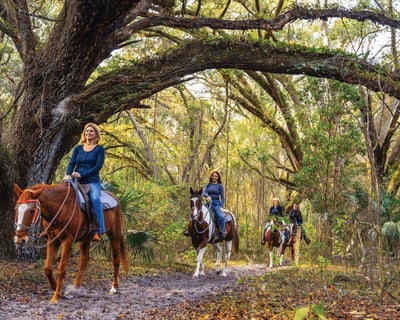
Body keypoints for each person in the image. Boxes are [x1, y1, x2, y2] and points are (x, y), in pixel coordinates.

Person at [63, 123, 105, 242]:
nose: (88, 133)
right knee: (62, 196)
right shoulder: (78, 148)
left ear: (96, 134)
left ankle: (97, 230)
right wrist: (68, 174)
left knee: (95, 199)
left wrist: (82, 174)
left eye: (91, 131)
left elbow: (97, 167)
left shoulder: (99, 149)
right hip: (76, 180)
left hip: (92, 181)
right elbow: (72, 163)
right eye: (87, 131)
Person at [203, 171, 226, 241]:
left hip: (216, 203)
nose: (214, 177)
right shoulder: (208, 185)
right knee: (197, 211)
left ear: (218, 177)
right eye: (213, 176)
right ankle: (190, 230)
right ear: (211, 176)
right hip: (208, 203)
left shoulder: (220, 186)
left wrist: (221, 206)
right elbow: (204, 193)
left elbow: (222, 197)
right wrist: (207, 196)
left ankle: (222, 232)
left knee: (221, 217)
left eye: (216, 176)